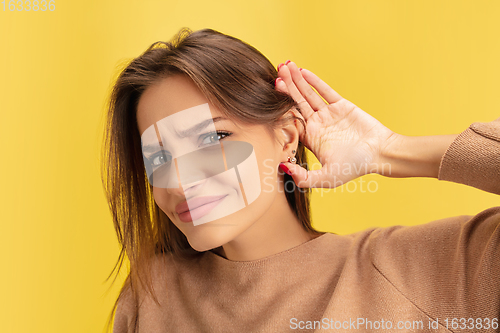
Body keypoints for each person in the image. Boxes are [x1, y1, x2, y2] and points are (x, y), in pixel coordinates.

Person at [102, 28, 500, 332]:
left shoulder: (427, 270)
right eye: (157, 157)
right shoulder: (151, 297)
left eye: (213, 138)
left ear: (287, 136)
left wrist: (389, 150)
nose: (179, 179)